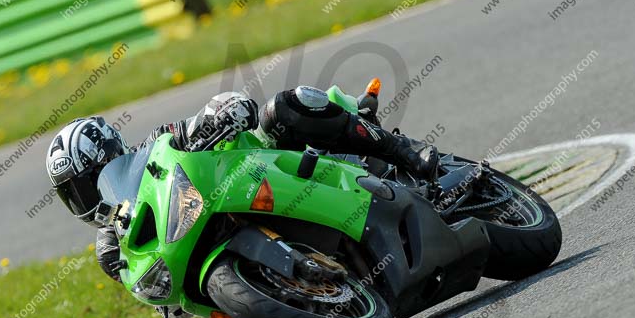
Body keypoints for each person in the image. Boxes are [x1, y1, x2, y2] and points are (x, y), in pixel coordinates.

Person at [46, 86, 438, 284]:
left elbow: (217, 110)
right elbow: (159, 294)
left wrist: (222, 112)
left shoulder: (157, 145)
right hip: (222, 234)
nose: (87, 197)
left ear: (112, 153)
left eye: (88, 181)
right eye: (74, 192)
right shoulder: (114, 247)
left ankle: (403, 151)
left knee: (285, 106)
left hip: (262, 166)